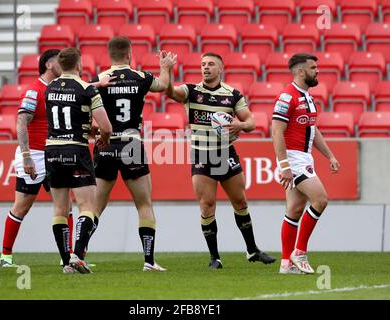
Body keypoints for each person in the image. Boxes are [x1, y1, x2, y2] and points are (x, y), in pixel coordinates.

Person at [166, 52, 276, 269]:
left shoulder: (233, 95)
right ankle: (214, 257)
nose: (205, 67)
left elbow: (251, 122)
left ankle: (252, 250)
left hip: (226, 154)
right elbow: (170, 92)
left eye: (211, 64)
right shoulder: (191, 91)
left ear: (220, 68)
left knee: (240, 202)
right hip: (202, 155)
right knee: (207, 206)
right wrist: (167, 70)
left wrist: (240, 126)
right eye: (203, 64)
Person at [90, 36, 177, 272]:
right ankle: (149, 261)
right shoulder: (140, 77)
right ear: (129, 53)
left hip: (106, 145)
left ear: (110, 55)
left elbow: (83, 109)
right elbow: (163, 85)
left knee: (94, 208)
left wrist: (94, 129)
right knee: (144, 205)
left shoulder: (98, 80)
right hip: (131, 144)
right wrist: (165, 67)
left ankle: (78, 254)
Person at [0, 49, 77, 267]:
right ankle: (5, 256)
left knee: (66, 205)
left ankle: (68, 257)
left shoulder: (59, 89)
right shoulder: (34, 91)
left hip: (55, 154)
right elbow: (22, 121)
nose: (63, 64)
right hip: (34, 155)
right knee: (22, 206)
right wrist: (26, 157)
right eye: (59, 61)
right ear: (49, 65)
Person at [44, 47, 113, 273]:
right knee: (88, 207)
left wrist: (86, 127)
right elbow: (106, 127)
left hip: (53, 150)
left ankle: (66, 263)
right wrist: (102, 138)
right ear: (79, 64)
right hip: (76, 149)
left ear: (60, 65)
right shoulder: (87, 90)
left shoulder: (50, 88)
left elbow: (66, 115)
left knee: (60, 209)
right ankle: (77, 255)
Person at [271, 53, 340, 275]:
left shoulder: (307, 97)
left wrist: (329, 155)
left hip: (303, 158)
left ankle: (285, 263)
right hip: (292, 159)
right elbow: (276, 132)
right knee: (320, 200)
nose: (317, 71)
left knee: (294, 209)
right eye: (313, 68)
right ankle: (299, 252)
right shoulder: (286, 96)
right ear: (301, 72)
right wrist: (284, 166)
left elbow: (312, 129)